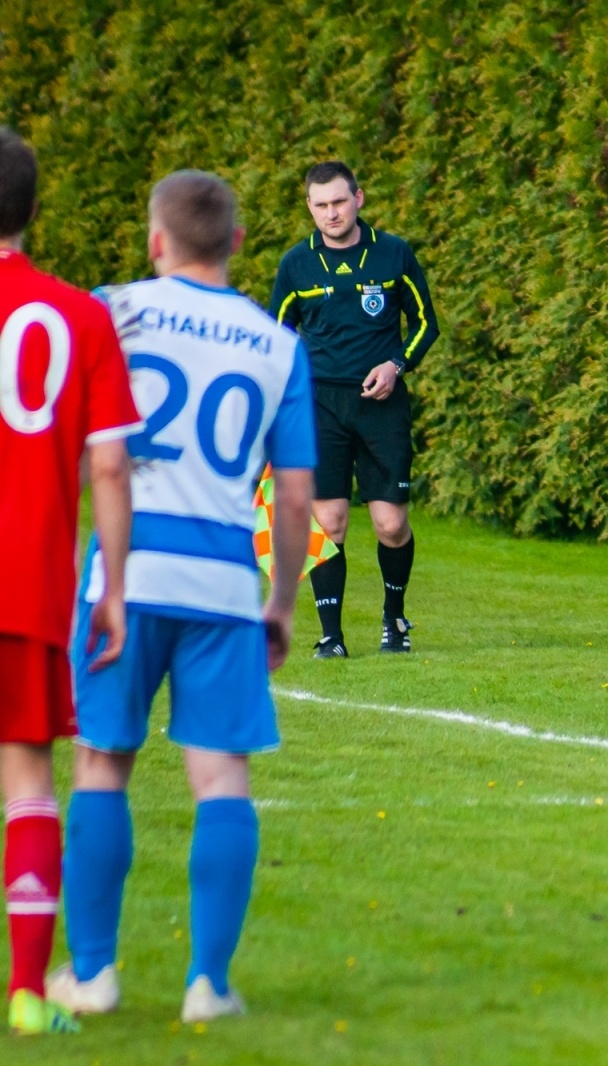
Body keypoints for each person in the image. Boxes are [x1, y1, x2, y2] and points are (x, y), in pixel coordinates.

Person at [46, 171, 315, 1025]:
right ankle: (208, 983)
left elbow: (85, 447)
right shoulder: (277, 346)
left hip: (127, 573)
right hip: (224, 583)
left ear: (155, 240)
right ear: (237, 245)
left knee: (101, 763)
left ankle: (92, 975)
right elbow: (299, 494)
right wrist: (280, 603)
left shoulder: (108, 309)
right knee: (220, 778)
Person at [0, 128, 140, 1036]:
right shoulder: (79, 317)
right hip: (28, 583)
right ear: (35, 208)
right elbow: (112, 469)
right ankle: (24, 992)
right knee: (28, 785)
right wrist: (114, 587)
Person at [269, 161, 437, 659]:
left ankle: (394, 620)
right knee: (331, 522)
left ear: (358, 199)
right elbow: (275, 338)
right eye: (320, 205)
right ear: (310, 208)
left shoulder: (393, 253)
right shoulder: (296, 264)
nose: (331, 213)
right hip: (320, 407)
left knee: (390, 524)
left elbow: (426, 322)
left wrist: (396, 365)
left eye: (339, 202)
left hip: (381, 405)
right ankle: (331, 637)